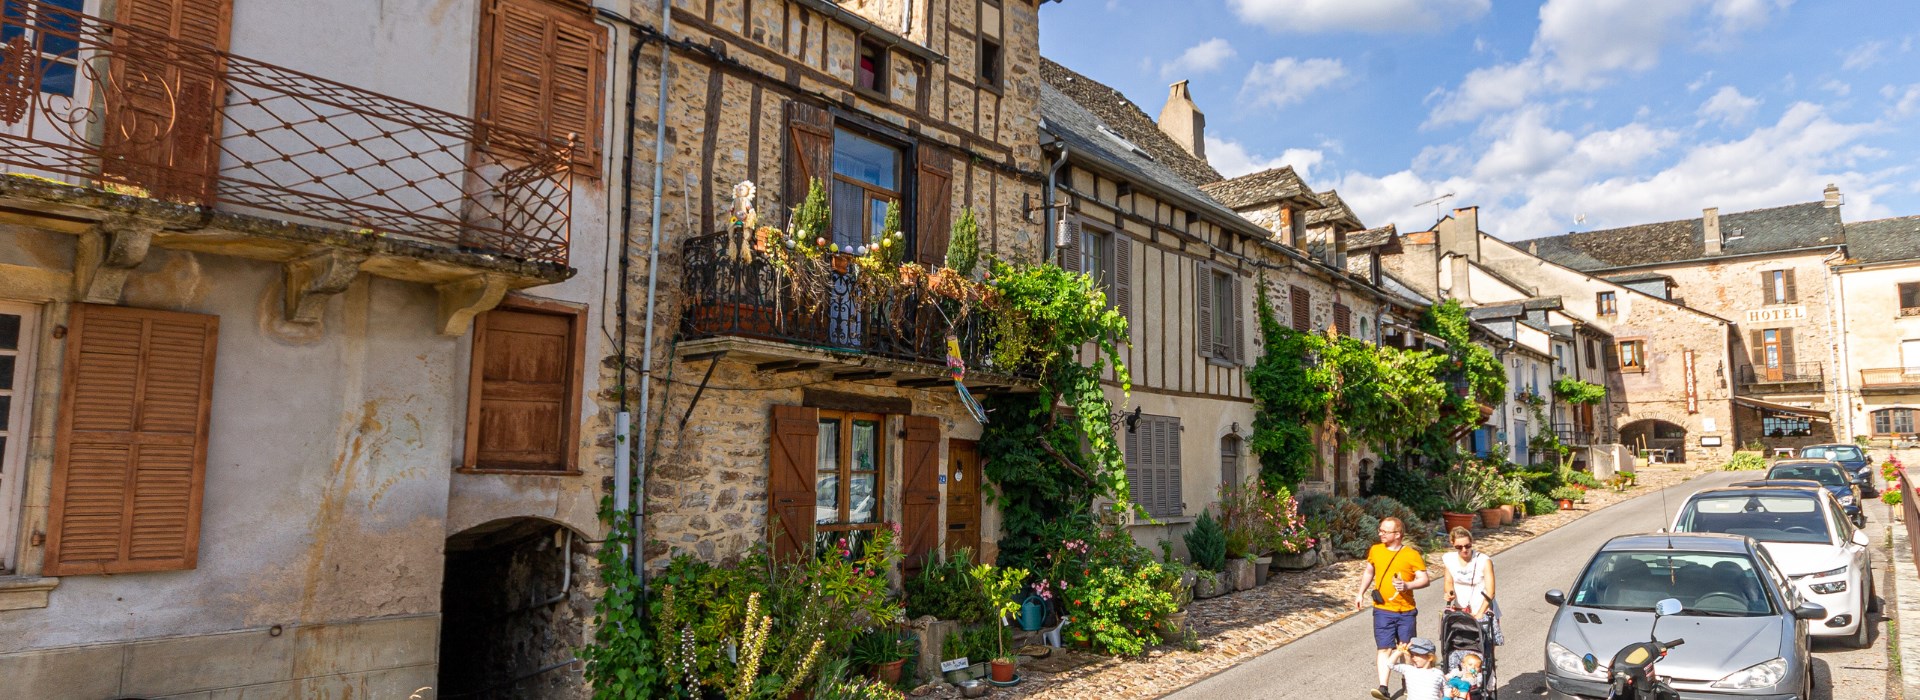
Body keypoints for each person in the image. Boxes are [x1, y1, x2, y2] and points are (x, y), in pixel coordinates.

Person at [1355, 516, 1431, 700]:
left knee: (1405, 649)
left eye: (1385, 531)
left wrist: (1407, 586)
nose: (1380, 533)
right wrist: (1360, 593)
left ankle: (1409, 682)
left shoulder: (1411, 554)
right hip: (1382, 609)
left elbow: (1424, 579)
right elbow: (1369, 571)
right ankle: (1383, 687)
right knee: (1384, 648)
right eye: (1380, 530)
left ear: (1397, 534)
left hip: (1405, 610)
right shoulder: (1375, 550)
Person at [1442, 527, 1498, 619]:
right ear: (1452, 544)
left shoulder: (1484, 561)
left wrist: (1480, 613)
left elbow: (1490, 592)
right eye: (1459, 547)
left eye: (1467, 546)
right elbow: (1448, 582)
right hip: (1460, 610)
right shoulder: (1449, 559)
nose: (1464, 550)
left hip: (1483, 609)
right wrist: (1449, 594)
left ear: (1471, 542)